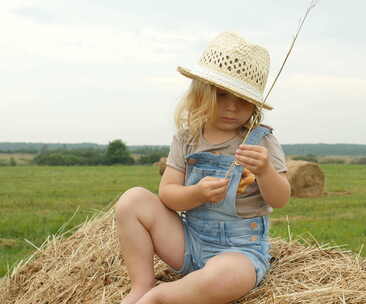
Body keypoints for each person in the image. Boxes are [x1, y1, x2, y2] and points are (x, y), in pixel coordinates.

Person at [114, 32, 291, 304]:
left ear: (254, 103)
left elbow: (280, 200)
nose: (232, 107)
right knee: (132, 201)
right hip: (189, 243)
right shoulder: (187, 139)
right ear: (201, 92)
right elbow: (168, 195)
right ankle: (142, 285)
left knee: (227, 277)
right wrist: (197, 193)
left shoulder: (262, 141)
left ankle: (162, 297)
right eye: (221, 95)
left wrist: (266, 171)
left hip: (239, 252)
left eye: (243, 99)